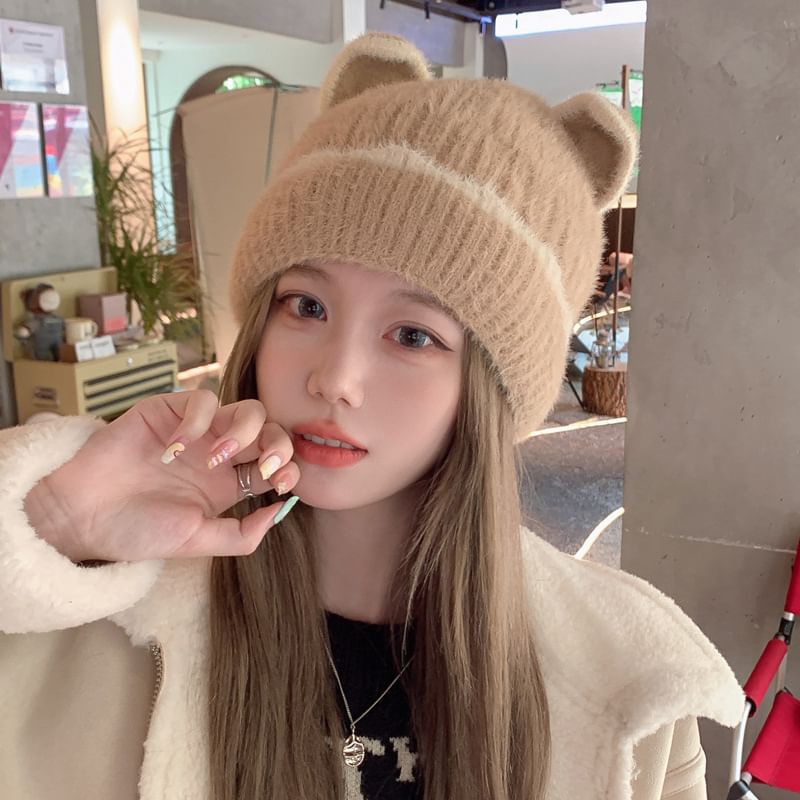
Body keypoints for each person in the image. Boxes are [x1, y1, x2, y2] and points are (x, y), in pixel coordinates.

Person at [0, 33, 743, 800]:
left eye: (413, 335)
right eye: (306, 305)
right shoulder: (96, 610)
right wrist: (54, 522)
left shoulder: (634, 687)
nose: (335, 379)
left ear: (491, 391)